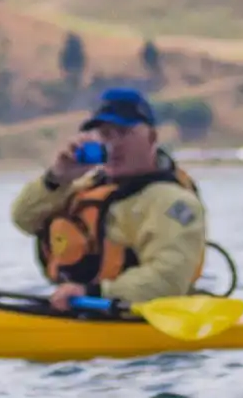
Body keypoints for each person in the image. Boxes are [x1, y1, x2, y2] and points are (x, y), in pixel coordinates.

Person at [11, 87, 208, 312]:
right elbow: (23, 219)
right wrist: (56, 178)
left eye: (123, 132)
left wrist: (94, 293)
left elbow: (167, 280)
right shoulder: (86, 185)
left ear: (152, 137)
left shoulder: (174, 202)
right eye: (105, 134)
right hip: (81, 308)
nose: (113, 145)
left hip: (137, 315)